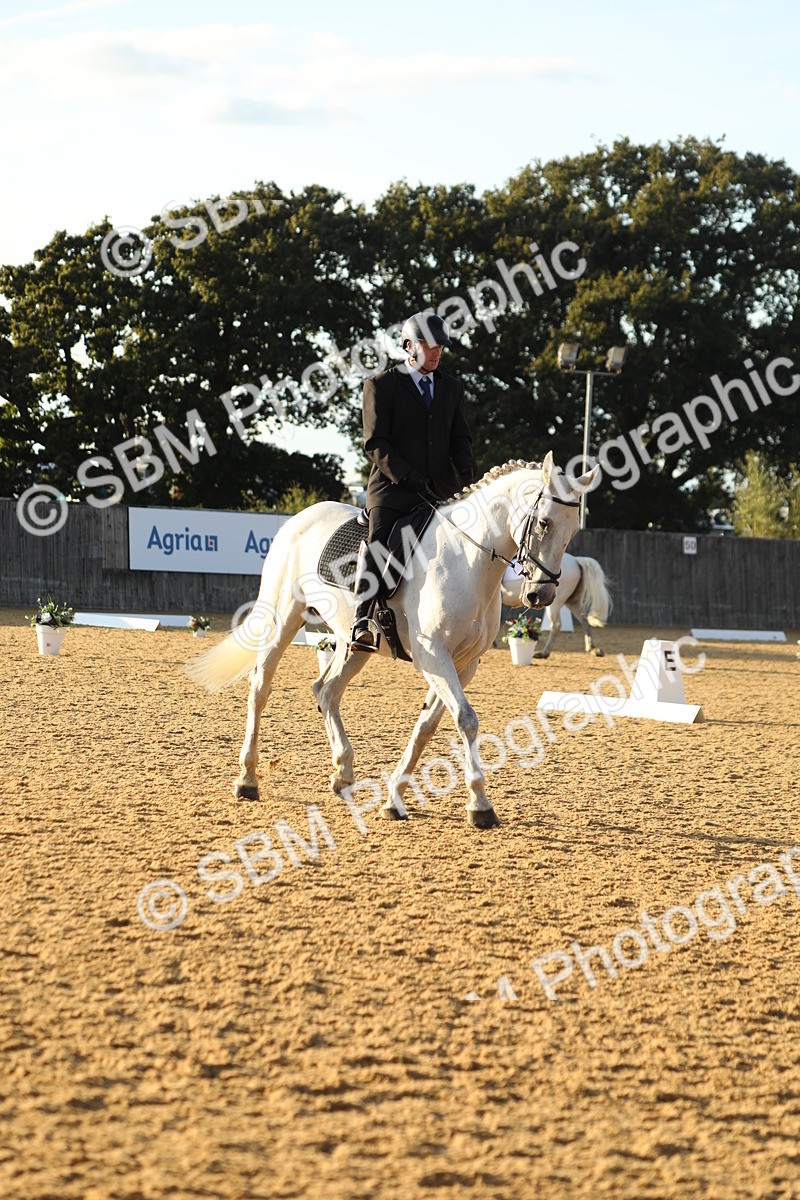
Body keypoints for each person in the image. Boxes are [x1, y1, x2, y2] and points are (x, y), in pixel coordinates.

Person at [350, 311, 478, 652]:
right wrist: (407, 476)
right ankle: (362, 618)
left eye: (440, 347)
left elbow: (459, 439)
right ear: (409, 346)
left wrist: (467, 472)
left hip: (440, 490)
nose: (436, 353)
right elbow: (375, 443)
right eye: (429, 345)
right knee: (379, 540)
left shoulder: (452, 387)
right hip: (392, 489)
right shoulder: (381, 385)